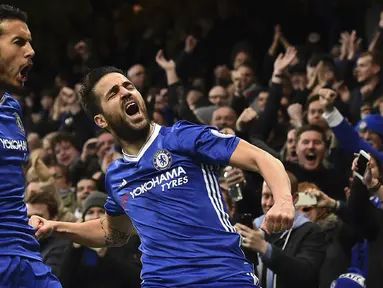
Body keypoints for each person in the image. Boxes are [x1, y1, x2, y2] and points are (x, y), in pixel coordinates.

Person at [30, 66, 295, 287]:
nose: (125, 92)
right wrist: (55, 227)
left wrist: (283, 200)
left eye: (128, 86)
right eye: (113, 93)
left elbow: (262, 159)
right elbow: (113, 232)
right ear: (101, 120)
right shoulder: (116, 175)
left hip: (222, 277)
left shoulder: (184, 137)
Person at [0, 4, 61, 287]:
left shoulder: (12, 108)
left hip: (25, 257)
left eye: (31, 43)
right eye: (19, 42)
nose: (31, 51)